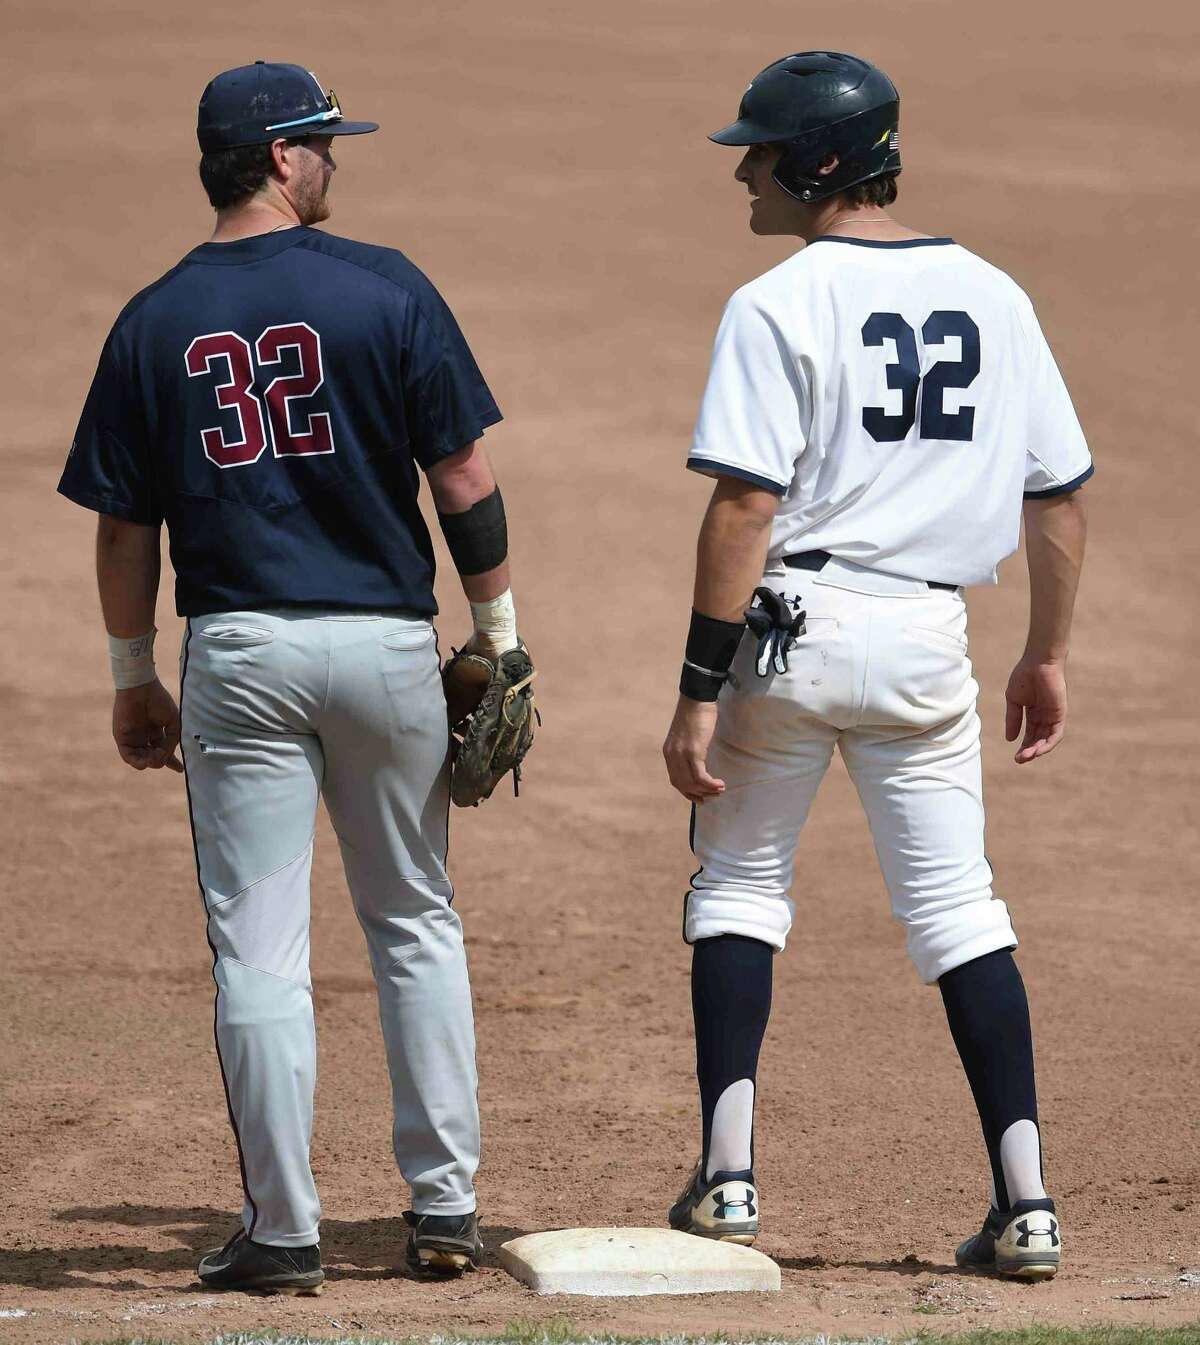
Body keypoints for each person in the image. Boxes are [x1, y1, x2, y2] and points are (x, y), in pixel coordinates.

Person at [58, 61, 522, 1293]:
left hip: (242, 657)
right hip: (382, 648)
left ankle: (284, 1229)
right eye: (322, 141)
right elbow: (463, 480)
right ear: (277, 158)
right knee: (414, 915)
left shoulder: (153, 319)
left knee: (260, 950)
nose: (334, 158)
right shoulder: (385, 287)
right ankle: (443, 1209)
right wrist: (504, 635)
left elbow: (122, 529)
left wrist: (128, 677)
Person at [662, 51, 1090, 1281]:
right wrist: (1046, 653)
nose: (745, 170)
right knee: (961, 912)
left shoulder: (776, 302)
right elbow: (1059, 502)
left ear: (819, 165)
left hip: (791, 634)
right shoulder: (999, 297)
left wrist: (698, 688)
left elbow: (745, 506)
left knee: (740, 882)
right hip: (926, 643)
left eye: (761, 150)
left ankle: (729, 1180)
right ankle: (1030, 1205)